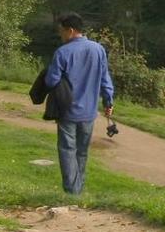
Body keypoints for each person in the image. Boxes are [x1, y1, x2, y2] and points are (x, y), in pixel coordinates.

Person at [44, 12, 114, 195]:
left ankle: (71, 191)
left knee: (67, 150)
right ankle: (78, 188)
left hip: (67, 111)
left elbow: (51, 81)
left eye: (62, 31)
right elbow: (105, 79)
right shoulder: (98, 50)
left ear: (71, 30)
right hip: (89, 112)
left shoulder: (62, 52)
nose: (61, 35)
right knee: (82, 152)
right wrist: (108, 101)